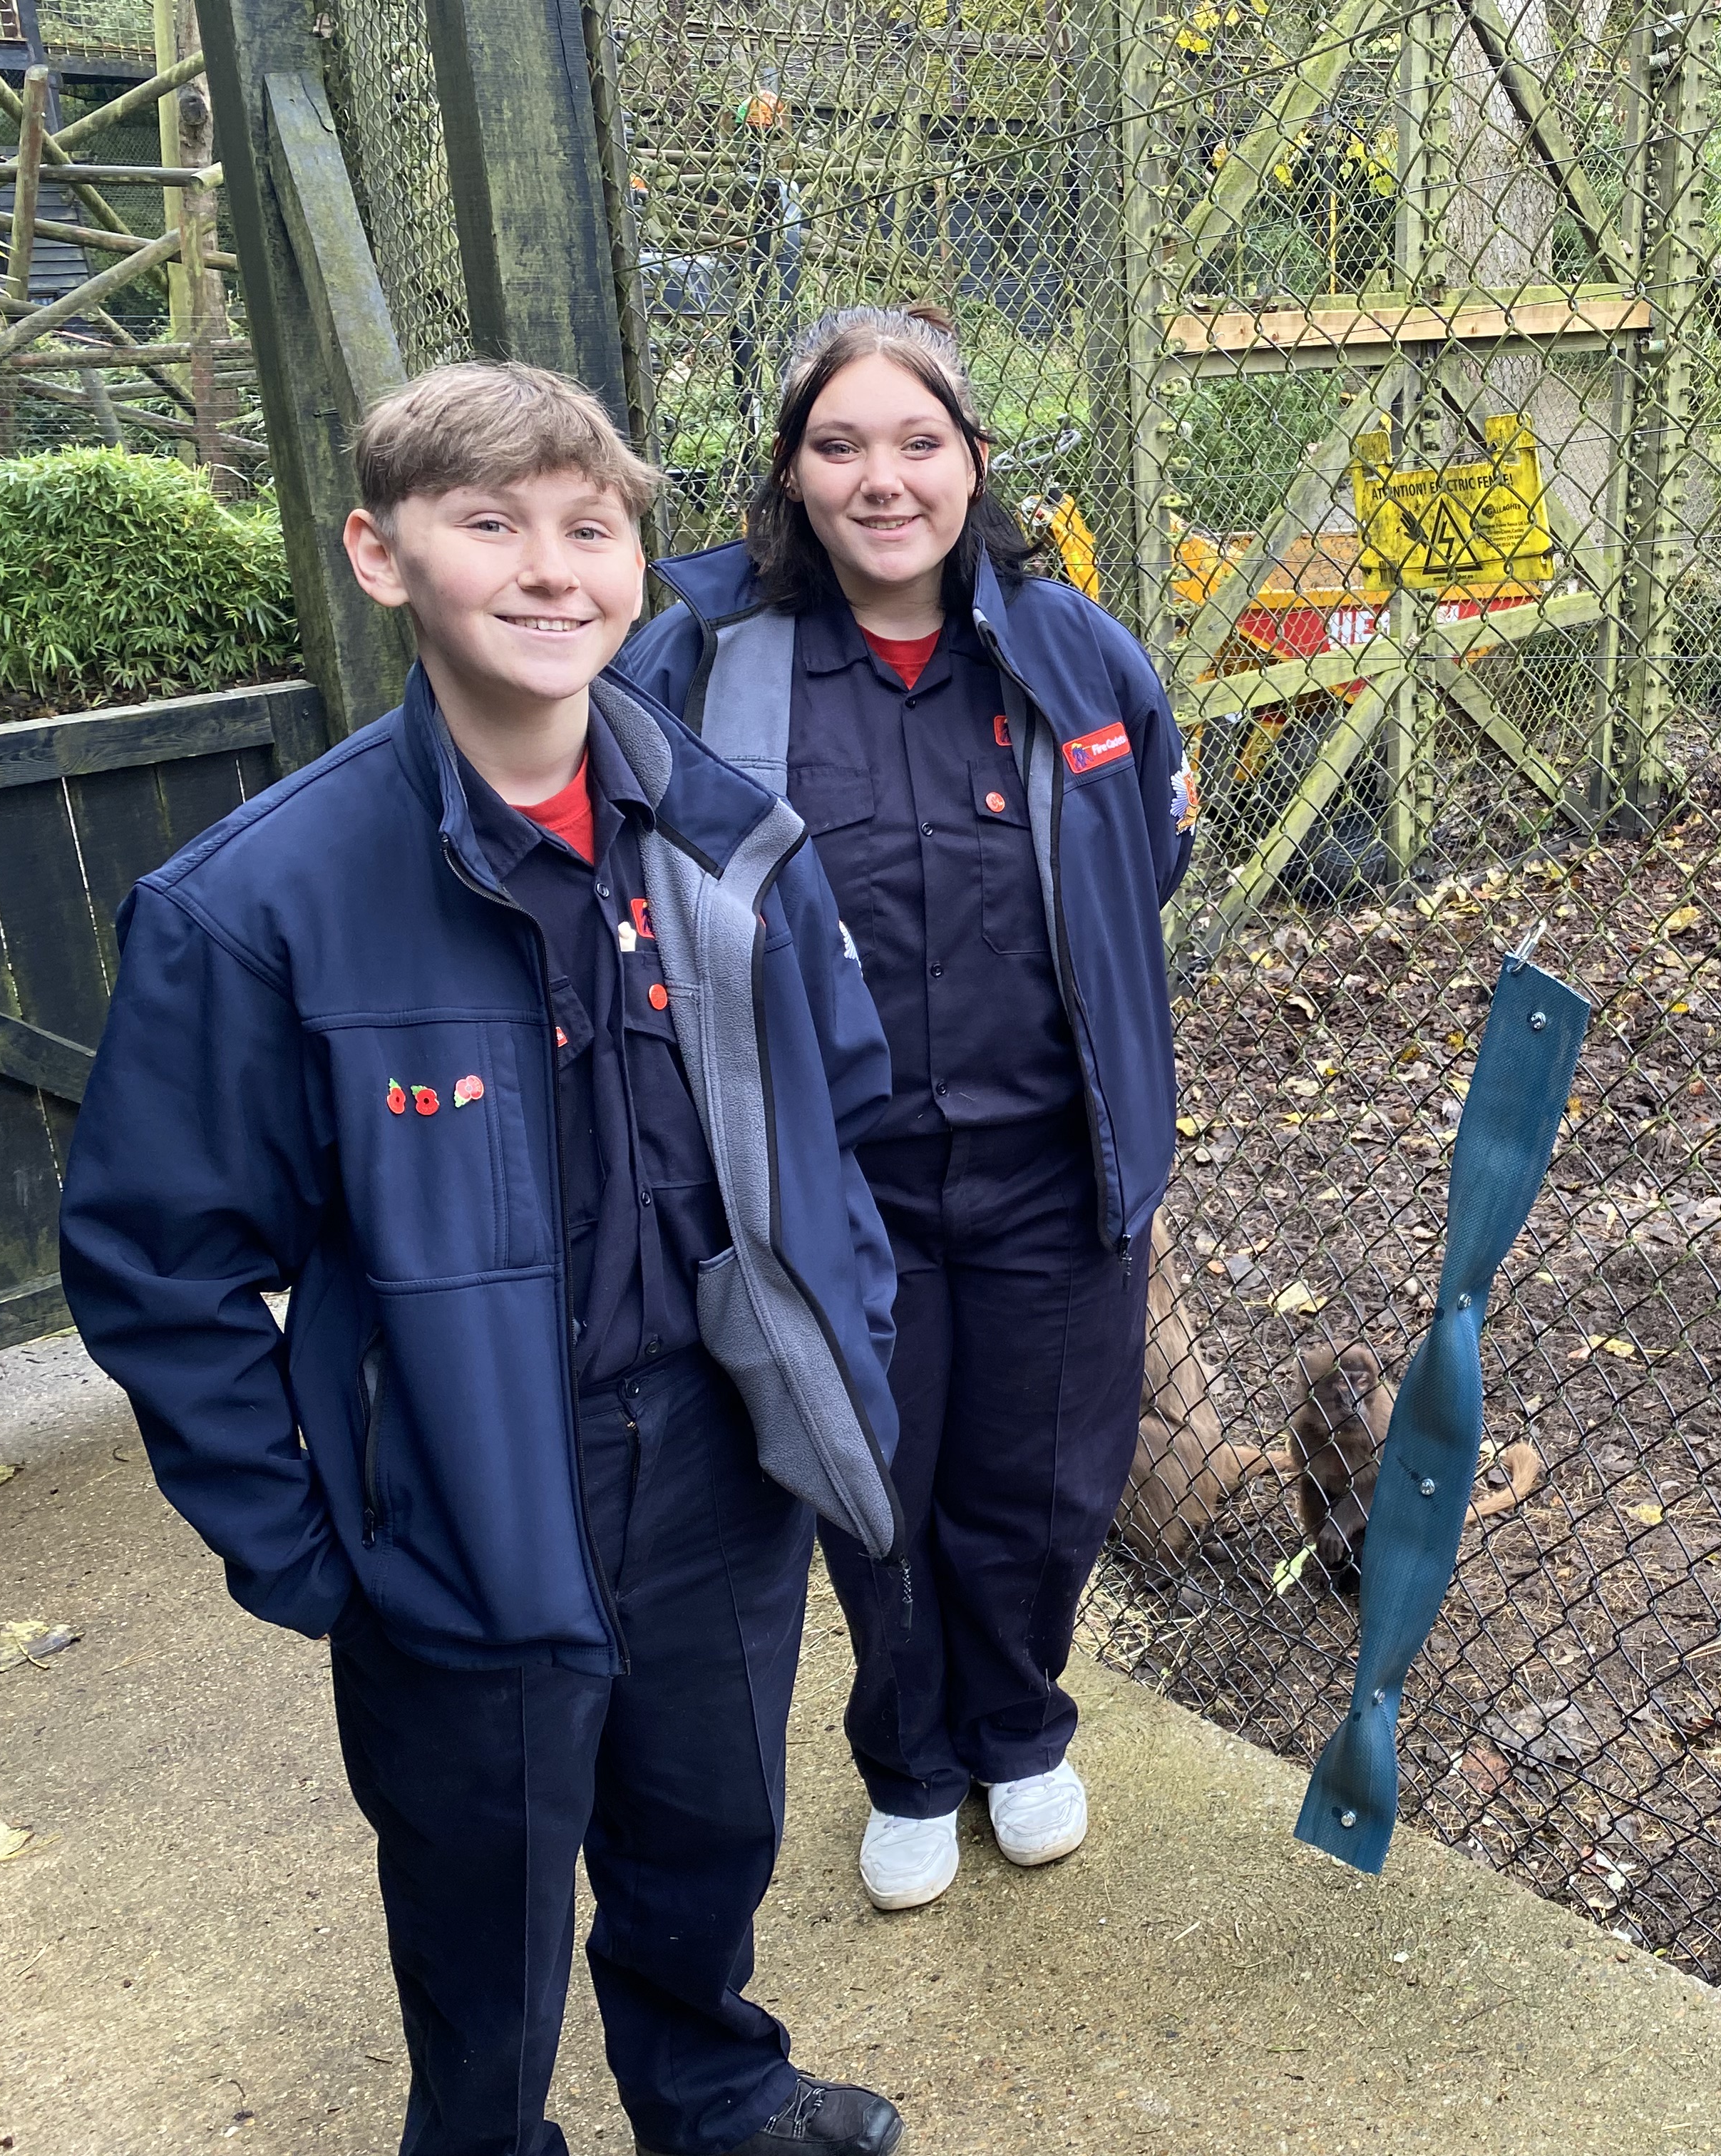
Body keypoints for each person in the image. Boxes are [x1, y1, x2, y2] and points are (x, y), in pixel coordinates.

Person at [58, 361, 910, 2156]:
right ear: (384, 557)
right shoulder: (258, 906)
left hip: (711, 1457)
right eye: (489, 523)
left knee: (705, 1823)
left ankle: (714, 2092)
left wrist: (848, 1346)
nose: (550, 570)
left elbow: (840, 1123)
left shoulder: (728, 840)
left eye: (589, 528)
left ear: (637, 563)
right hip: (460, 1489)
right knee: (484, 1892)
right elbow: (156, 1265)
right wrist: (309, 1533)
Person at [620, 305, 1192, 1912]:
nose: (885, 479)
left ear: (974, 464)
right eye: (840, 445)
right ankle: (910, 1764)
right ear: (793, 478)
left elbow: (1147, 851)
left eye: (918, 442)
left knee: (1046, 1480)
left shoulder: (1078, 652)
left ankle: (1020, 1731)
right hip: (832, 1186)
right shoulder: (701, 663)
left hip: (1048, 1170)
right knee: (873, 1474)